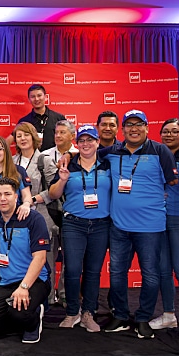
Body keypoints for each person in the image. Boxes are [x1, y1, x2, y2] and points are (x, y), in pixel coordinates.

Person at [98, 109, 177, 338]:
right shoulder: (111, 152)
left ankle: (143, 317)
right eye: (129, 125)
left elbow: (172, 180)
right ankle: (121, 315)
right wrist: (67, 156)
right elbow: (86, 156)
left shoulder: (160, 150)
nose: (134, 129)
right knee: (117, 274)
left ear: (147, 127)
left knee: (151, 275)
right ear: (122, 130)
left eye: (138, 124)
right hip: (119, 227)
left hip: (151, 227)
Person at [48, 125, 111, 333]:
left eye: (90, 140)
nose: (86, 144)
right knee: (73, 270)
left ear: (97, 142)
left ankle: (88, 313)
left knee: (93, 272)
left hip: (101, 225)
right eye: (82, 140)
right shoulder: (69, 164)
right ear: (77, 143)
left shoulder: (107, 164)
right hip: (74, 224)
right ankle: (72, 311)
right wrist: (63, 179)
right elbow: (54, 194)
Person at [0, 177, 51, 344]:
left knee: (19, 314)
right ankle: (16, 318)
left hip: (34, 281)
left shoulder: (33, 219)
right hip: (7, 283)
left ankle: (33, 318)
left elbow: (40, 258)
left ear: (16, 196)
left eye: (7, 194)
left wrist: (24, 287)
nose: (3, 198)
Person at [149, 118, 179, 337]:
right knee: (163, 270)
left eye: (174, 132)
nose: (169, 135)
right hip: (157, 221)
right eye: (166, 131)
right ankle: (169, 315)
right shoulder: (153, 157)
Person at [36, 119, 77, 304]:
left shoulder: (80, 154)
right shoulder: (43, 156)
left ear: (72, 136)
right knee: (48, 255)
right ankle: (49, 294)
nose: (58, 136)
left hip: (73, 213)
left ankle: (65, 294)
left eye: (63, 132)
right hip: (49, 212)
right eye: (56, 132)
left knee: (71, 256)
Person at [12, 122, 58, 275]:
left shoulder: (44, 160)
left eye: (26, 135)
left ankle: (49, 298)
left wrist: (31, 199)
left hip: (41, 216)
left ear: (34, 137)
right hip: (17, 217)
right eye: (19, 136)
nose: (23, 138)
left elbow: (54, 189)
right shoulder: (11, 162)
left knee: (45, 261)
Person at [10, 85, 66, 151]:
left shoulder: (59, 118)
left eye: (39, 95)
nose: (36, 99)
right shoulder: (24, 121)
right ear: (29, 99)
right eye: (33, 96)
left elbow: (68, 138)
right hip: (32, 159)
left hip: (55, 158)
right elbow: (11, 140)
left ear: (45, 97)